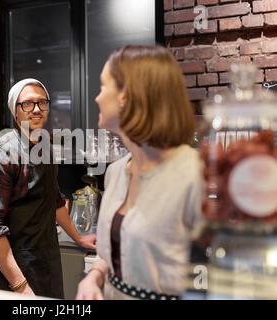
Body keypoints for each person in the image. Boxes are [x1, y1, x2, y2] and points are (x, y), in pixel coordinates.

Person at [75, 45, 204, 300]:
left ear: (126, 95)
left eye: (103, 86)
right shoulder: (115, 172)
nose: (97, 98)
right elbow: (113, 251)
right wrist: (95, 276)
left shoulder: (194, 174)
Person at [0, 78, 97, 298]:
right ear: (15, 111)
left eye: (42, 103)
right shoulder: (0, 154)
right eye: (28, 104)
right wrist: (20, 286)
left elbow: (54, 199)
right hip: (13, 272)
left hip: (45, 262)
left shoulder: (45, 148)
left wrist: (78, 238)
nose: (36, 109)